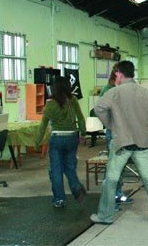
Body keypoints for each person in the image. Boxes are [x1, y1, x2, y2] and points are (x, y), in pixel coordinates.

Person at [91, 60, 148, 226]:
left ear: (119, 73)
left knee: (111, 180)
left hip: (121, 144)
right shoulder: (145, 93)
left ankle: (105, 216)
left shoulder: (114, 93)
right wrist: (141, 123)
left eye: (116, 73)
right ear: (133, 73)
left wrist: (111, 124)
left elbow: (98, 109)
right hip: (142, 144)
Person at [35, 76, 87, 208]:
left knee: (56, 170)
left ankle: (59, 199)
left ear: (54, 88)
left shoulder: (50, 104)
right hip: (72, 137)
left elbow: (43, 125)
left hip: (57, 138)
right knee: (69, 166)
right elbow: (80, 118)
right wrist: (83, 133)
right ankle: (76, 187)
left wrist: (37, 142)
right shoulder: (73, 100)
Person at [99, 70, 133, 207]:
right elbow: (101, 110)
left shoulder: (120, 90)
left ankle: (118, 195)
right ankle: (110, 199)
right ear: (117, 76)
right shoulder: (108, 91)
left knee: (119, 166)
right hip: (113, 133)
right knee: (113, 167)